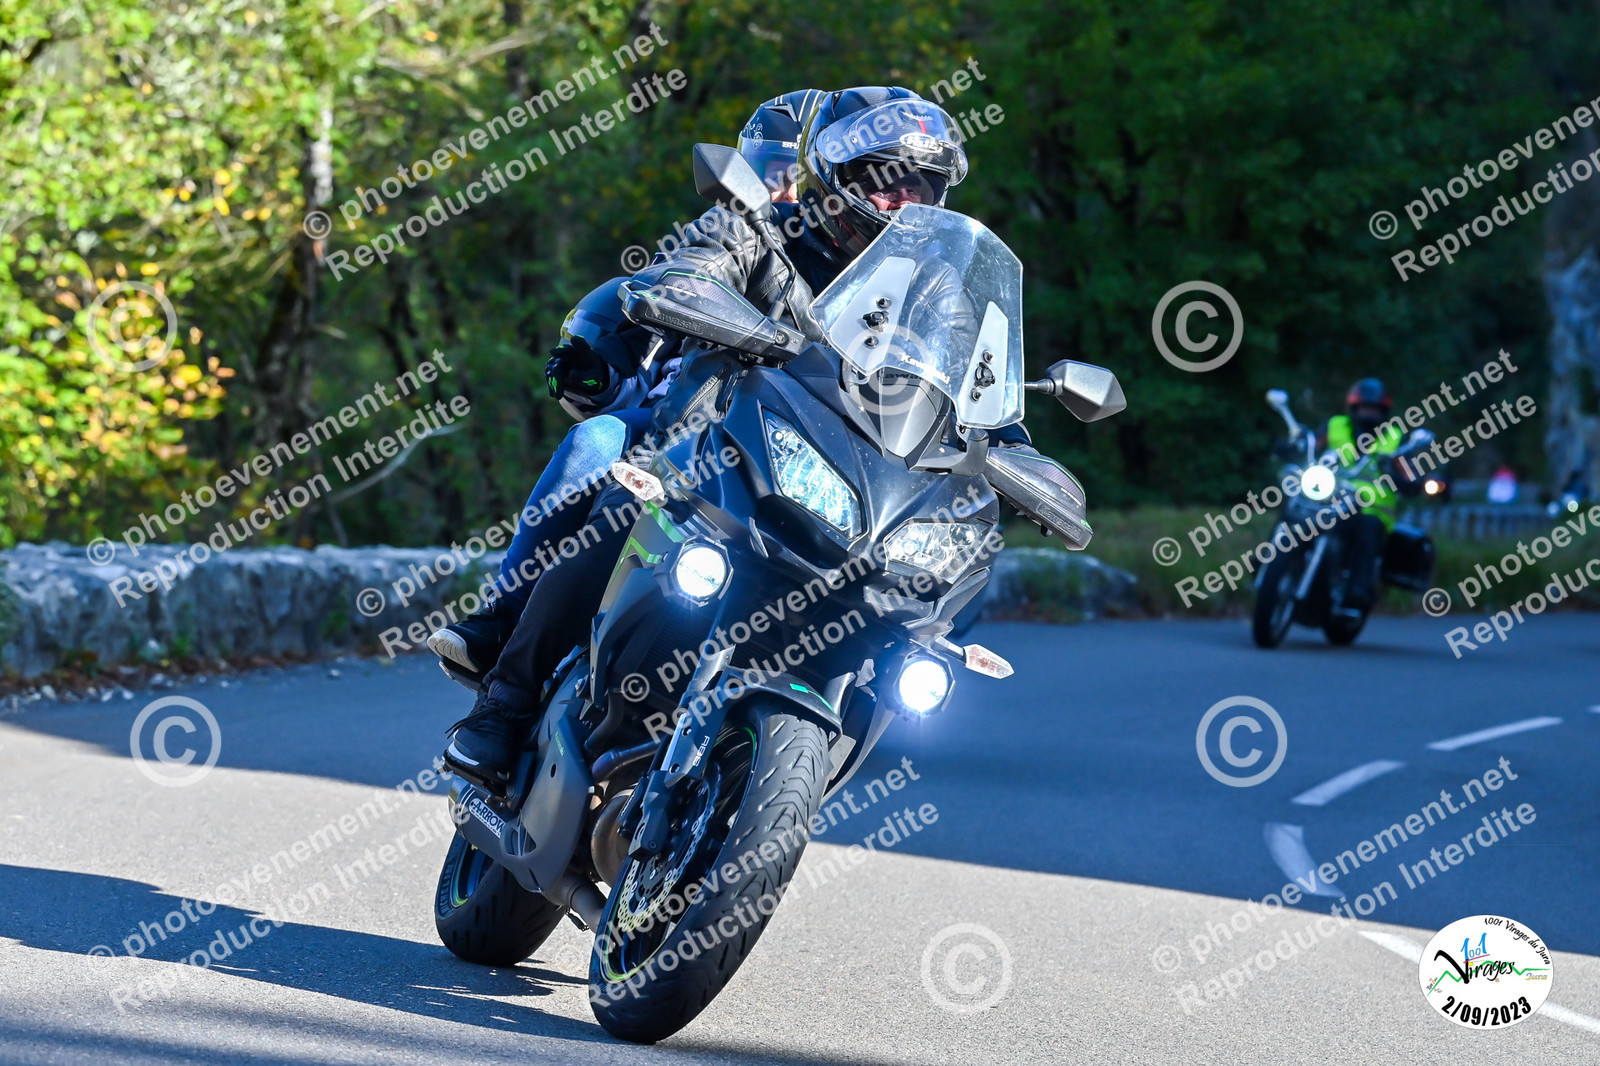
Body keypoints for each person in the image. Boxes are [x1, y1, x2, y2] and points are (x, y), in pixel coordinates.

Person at [444, 86, 979, 790]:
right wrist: (704, 299)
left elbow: (973, 386)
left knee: (917, 588)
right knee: (618, 476)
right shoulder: (757, 230)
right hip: (709, 434)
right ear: (837, 177)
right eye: (886, 182)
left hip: (842, 476)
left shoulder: (934, 290)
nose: (903, 201)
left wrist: (1015, 447)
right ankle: (507, 696)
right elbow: (688, 272)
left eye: (921, 187)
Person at [426, 90, 823, 682]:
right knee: (597, 440)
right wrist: (597, 368)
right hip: (696, 425)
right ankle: (503, 620)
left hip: (807, 452)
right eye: (769, 172)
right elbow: (652, 329)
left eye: (795, 177)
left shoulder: (876, 276)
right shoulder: (734, 233)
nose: (782, 191)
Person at [1320, 377, 1403, 614]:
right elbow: (1313, 443)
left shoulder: (1394, 437)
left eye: (1374, 409)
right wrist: (1293, 445)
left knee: (1368, 529)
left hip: (1372, 509)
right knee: (1296, 506)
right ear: (1354, 407)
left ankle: (1358, 590)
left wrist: (1404, 477)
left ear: (1383, 411)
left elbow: (1408, 470)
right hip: (1330, 498)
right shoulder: (1335, 425)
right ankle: (1268, 558)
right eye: (1365, 408)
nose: (1369, 414)